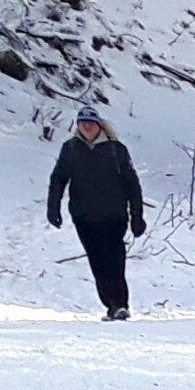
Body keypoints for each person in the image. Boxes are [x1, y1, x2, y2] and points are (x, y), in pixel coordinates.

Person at [45, 112, 146, 320]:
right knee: (97, 261)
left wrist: (137, 215)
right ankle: (110, 305)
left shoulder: (116, 150)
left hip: (114, 215)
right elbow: (58, 178)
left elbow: (132, 184)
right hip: (84, 216)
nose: (86, 127)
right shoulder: (71, 149)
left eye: (91, 123)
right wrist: (53, 207)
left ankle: (120, 304)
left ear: (100, 125)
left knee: (115, 259)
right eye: (82, 123)